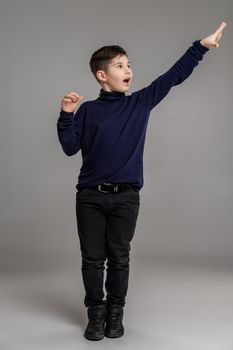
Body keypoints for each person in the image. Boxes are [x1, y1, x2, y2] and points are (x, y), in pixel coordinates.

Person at [57, 22, 227, 341]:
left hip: (126, 198)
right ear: (101, 75)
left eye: (129, 64)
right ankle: (96, 314)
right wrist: (66, 114)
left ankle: (115, 313)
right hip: (90, 198)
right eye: (120, 65)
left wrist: (200, 46)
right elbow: (69, 148)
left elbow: (172, 77)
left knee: (119, 257)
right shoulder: (89, 111)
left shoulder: (139, 104)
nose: (129, 70)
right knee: (92, 258)